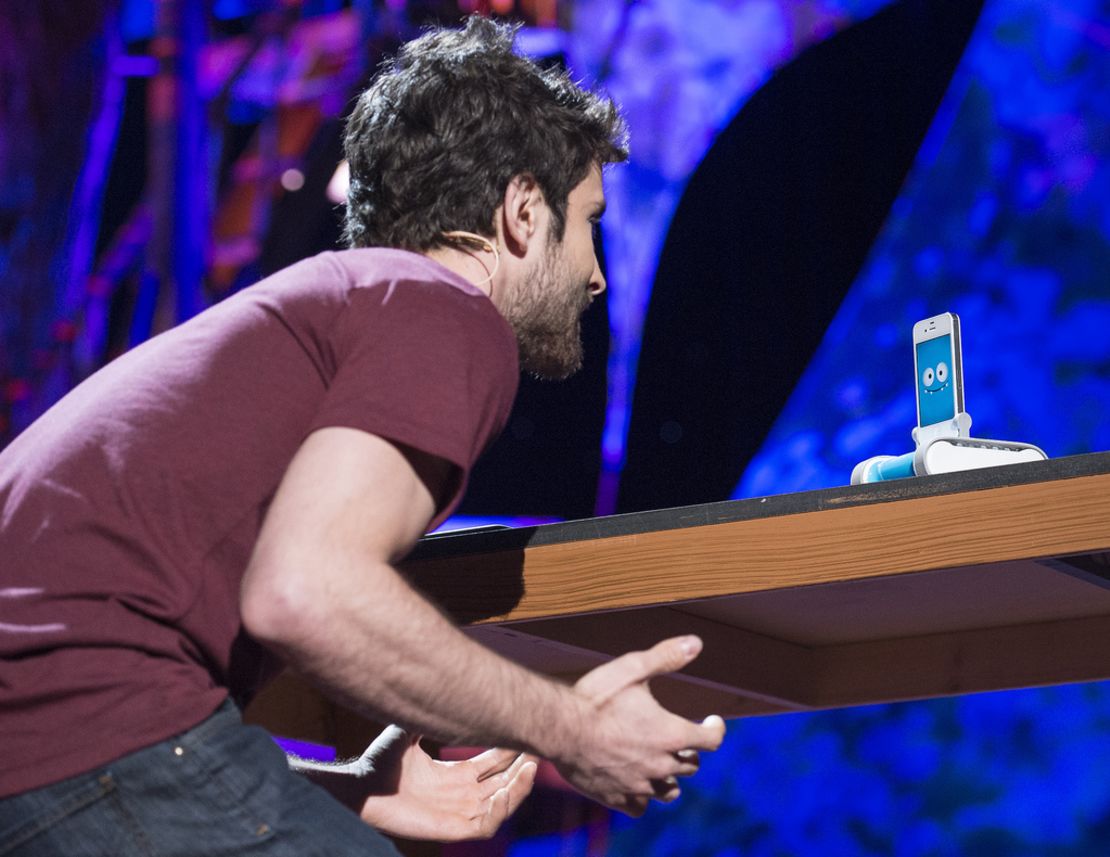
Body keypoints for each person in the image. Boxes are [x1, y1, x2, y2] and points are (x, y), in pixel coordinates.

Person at [0, 16, 725, 855]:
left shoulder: (339, 304)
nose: (596, 272)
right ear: (524, 212)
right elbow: (305, 591)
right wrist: (575, 727)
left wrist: (346, 792)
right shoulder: (442, 310)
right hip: (91, 725)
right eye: (589, 220)